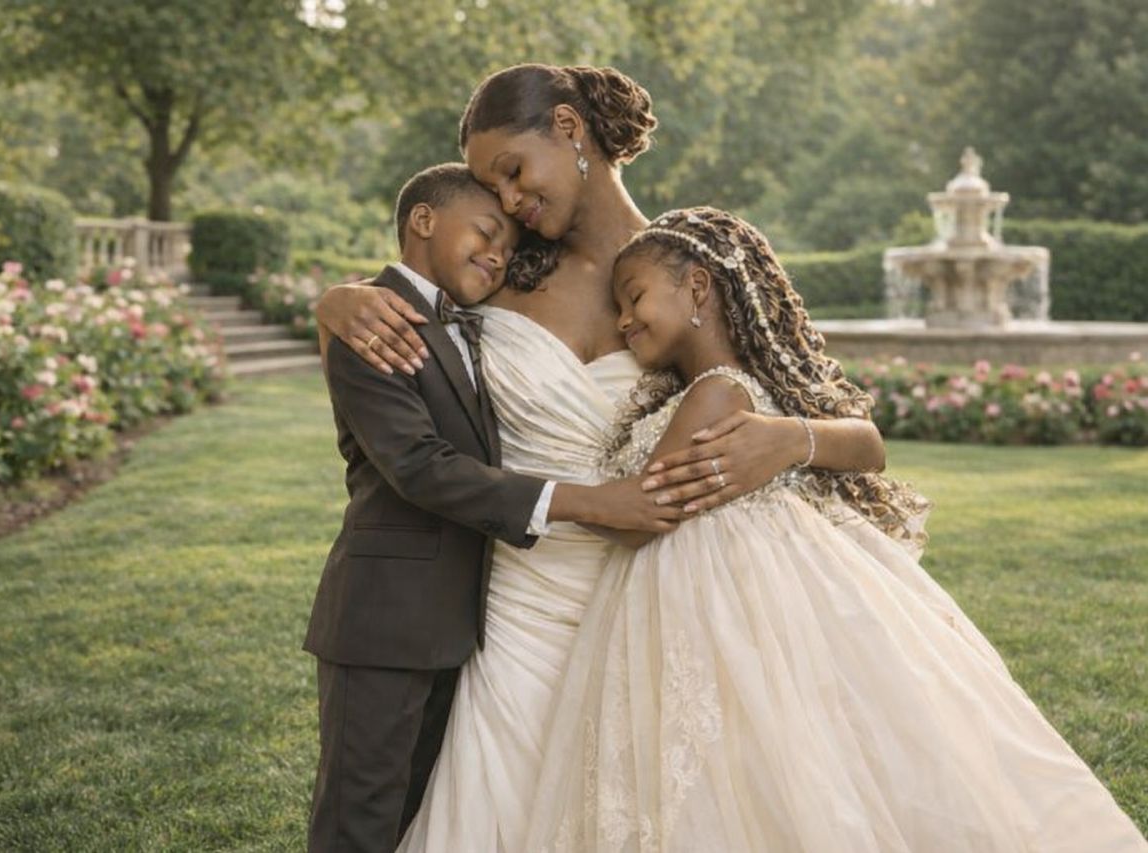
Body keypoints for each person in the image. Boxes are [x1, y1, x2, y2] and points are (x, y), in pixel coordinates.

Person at [314, 66, 888, 851]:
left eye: (513, 173)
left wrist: (792, 438)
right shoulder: (500, 274)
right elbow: (417, 320)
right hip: (516, 602)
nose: (508, 203)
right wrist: (339, 300)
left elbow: (859, 436)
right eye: (492, 190)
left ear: (569, 129)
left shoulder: (688, 267)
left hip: (653, 594)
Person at [522, 206, 1148, 852]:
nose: (625, 321)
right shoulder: (718, 388)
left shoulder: (715, 393)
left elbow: (643, 512)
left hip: (716, 589)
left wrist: (555, 501)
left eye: (635, 299)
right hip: (718, 587)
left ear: (699, 288)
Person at [303, 162, 681, 853]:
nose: (497, 253)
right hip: (382, 619)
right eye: (484, 231)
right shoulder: (371, 323)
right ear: (423, 221)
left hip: (460, 618)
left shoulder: (466, 319)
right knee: (358, 818)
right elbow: (420, 466)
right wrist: (590, 503)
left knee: (412, 810)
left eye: (507, 245)